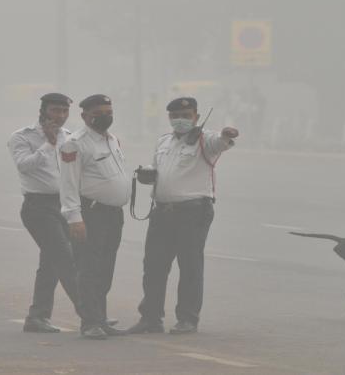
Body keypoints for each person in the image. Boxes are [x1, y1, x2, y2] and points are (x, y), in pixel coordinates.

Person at [127, 97, 239, 335]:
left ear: (196, 117)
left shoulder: (204, 140)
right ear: (169, 118)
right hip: (162, 211)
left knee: (190, 266)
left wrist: (227, 133)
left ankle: (188, 319)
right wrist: (149, 176)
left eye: (186, 116)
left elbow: (222, 141)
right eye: (175, 115)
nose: (180, 120)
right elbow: (159, 168)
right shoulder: (163, 141)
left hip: (192, 211)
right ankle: (151, 318)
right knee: (154, 266)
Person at [7, 93, 82, 333]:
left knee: (51, 263)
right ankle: (91, 312)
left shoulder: (70, 136)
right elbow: (24, 165)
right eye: (55, 110)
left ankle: (37, 317)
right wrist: (48, 144)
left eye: (63, 111)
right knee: (65, 258)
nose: (59, 116)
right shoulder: (22, 137)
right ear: (43, 111)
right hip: (38, 207)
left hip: (65, 205)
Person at [58, 94, 131, 340]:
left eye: (108, 112)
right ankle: (89, 322)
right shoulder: (74, 143)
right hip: (91, 214)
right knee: (89, 268)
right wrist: (74, 218)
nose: (105, 117)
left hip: (113, 214)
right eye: (98, 113)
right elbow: (68, 184)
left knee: (105, 269)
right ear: (84, 116)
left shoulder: (111, 139)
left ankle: (101, 318)